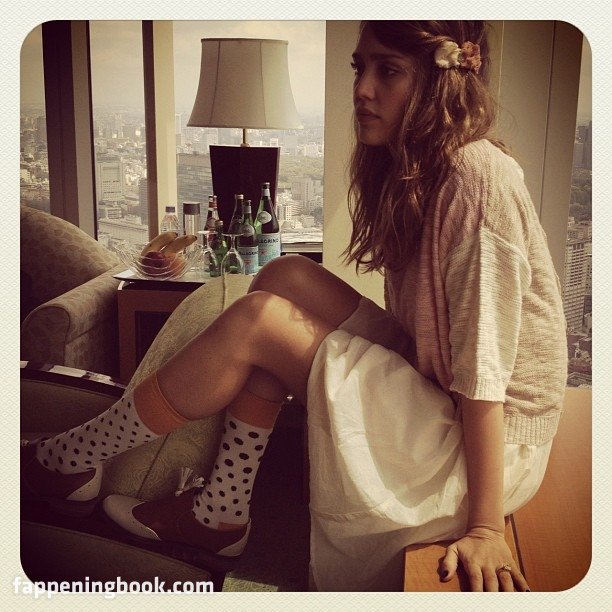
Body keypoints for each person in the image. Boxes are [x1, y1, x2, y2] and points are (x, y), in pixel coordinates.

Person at [21, 20, 567, 592]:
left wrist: (485, 526)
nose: (362, 89)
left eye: (389, 71)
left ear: (442, 82)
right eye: (360, 67)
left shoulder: (477, 176)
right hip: (445, 387)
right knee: (283, 275)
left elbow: (485, 371)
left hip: (488, 445)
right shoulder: (420, 169)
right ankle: (222, 508)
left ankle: (66, 462)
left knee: (260, 322)